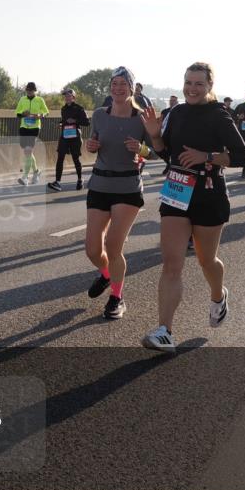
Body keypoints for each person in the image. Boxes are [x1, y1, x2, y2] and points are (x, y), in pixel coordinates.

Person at [139, 62, 245, 354]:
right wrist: (155, 135)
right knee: (171, 263)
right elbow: (168, 155)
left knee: (206, 260)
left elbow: (241, 156)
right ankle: (165, 331)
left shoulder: (219, 115)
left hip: (209, 192)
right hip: (176, 188)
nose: (192, 88)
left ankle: (218, 295)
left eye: (199, 83)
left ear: (210, 86)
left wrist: (207, 156)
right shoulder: (176, 113)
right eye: (188, 82)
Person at [83, 67, 156, 319]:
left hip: (127, 187)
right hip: (99, 184)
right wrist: (91, 146)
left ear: (132, 88)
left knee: (113, 247)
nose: (118, 88)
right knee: (92, 250)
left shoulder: (141, 118)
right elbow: (93, 143)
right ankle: (106, 275)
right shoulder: (99, 115)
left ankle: (117, 297)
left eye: (123, 84)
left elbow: (157, 151)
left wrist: (142, 150)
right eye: (114, 83)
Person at [48, 88, 89, 191]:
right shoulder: (63, 109)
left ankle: (80, 180)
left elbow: (86, 122)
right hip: (65, 136)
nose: (66, 98)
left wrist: (75, 120)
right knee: (60, 157)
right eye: (65, 96)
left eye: (68, 96)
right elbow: (64, 121)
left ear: (73, 97)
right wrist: (60, 124)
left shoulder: (79, 108)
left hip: (75, 136)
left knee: (76, 158)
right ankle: (57, 182)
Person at [15, 82, 49, 185]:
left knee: (28, 150)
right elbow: (17, 113)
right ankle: (36, 171)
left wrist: (40, 115)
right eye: (28, 90)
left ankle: (25, 177)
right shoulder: (22, 99)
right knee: (27, 152)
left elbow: (46, 112)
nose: (29, 92)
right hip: (24, 127)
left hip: (34, 128)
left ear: (35, 91)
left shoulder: (40, 100)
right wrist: (22, 114)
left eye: (31, 90)